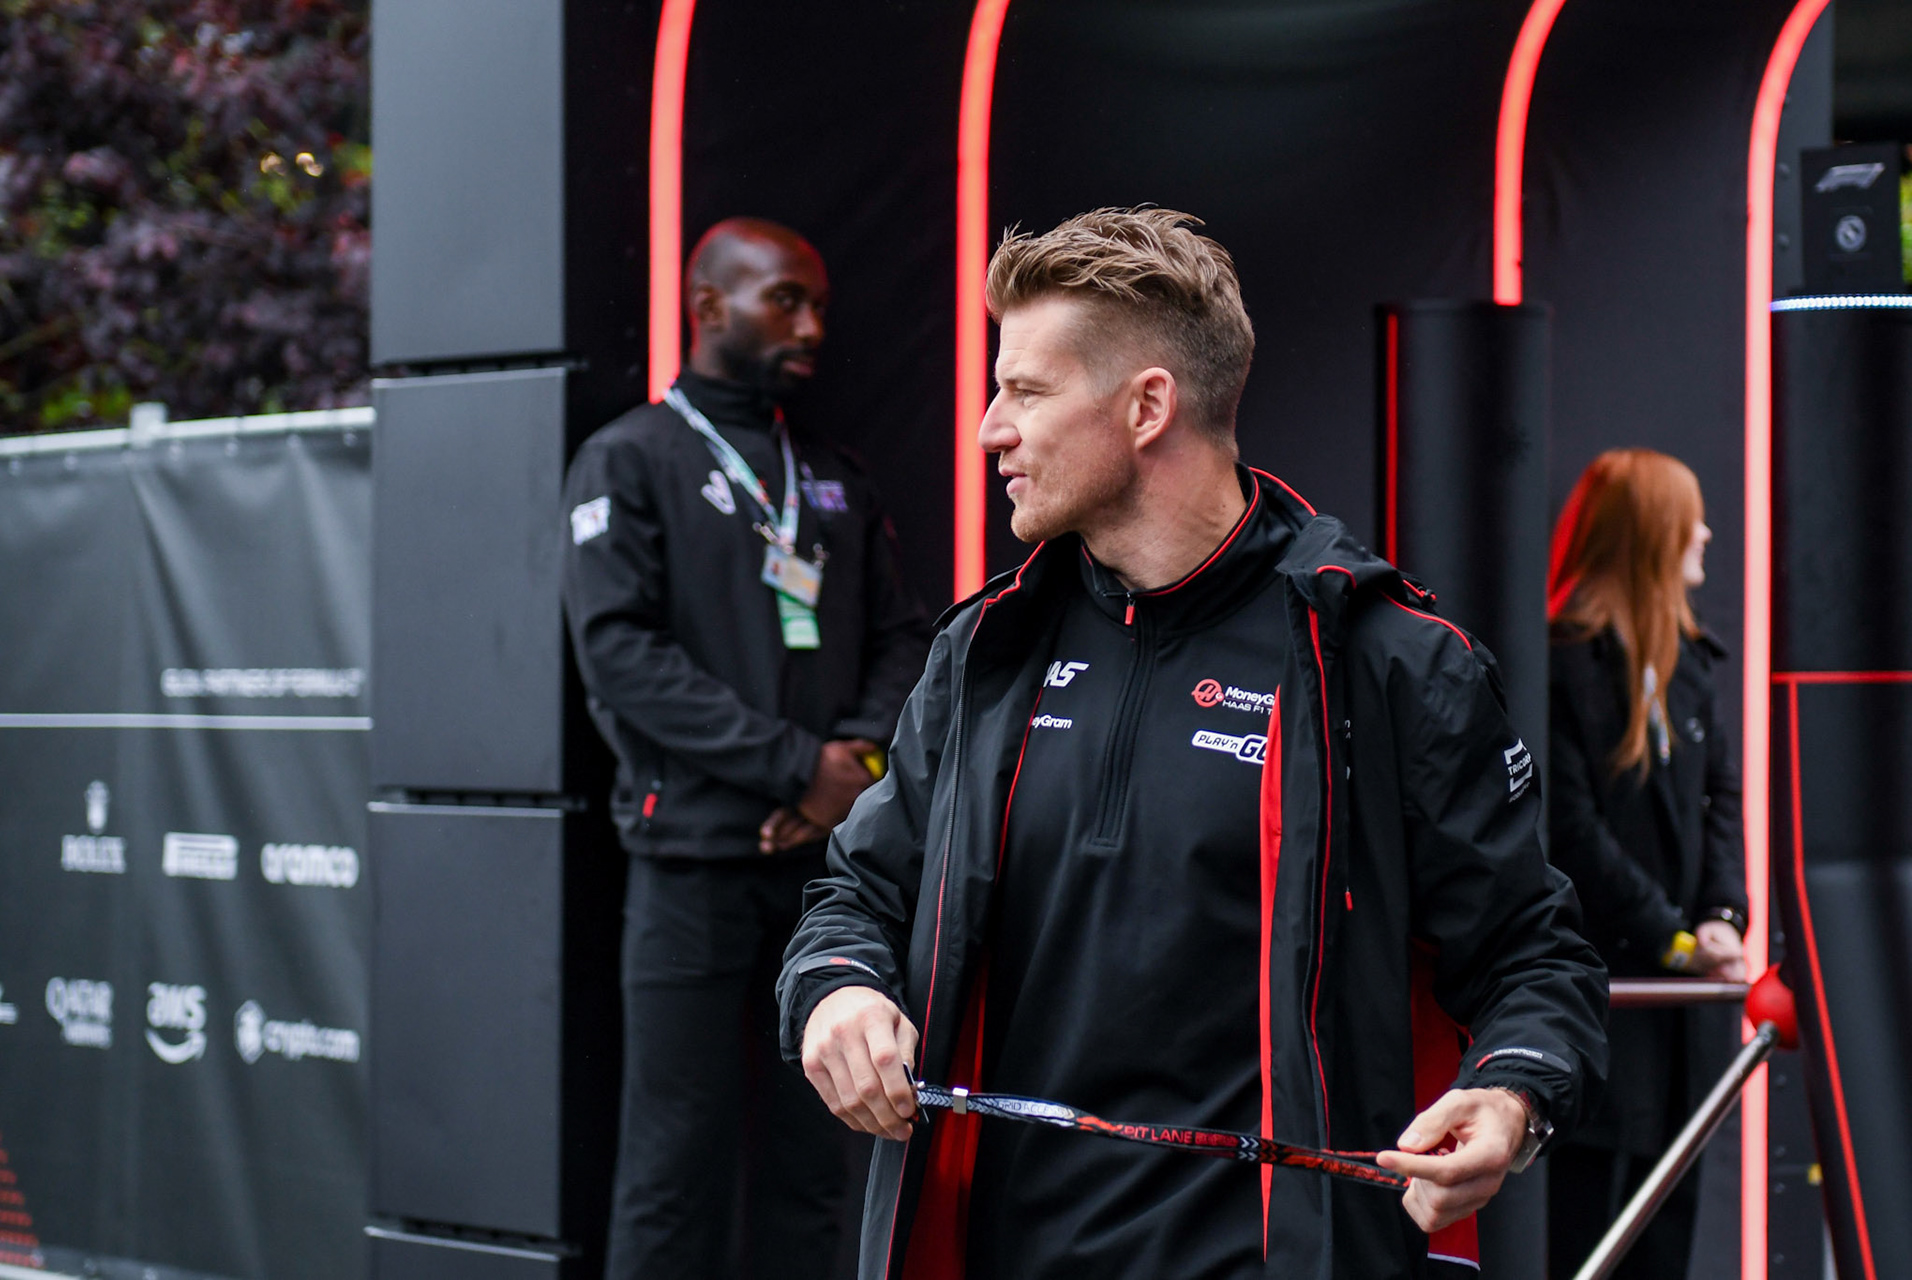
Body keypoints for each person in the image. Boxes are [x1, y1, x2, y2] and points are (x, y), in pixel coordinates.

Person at [777, 207, 1607, 1279]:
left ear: (1147, 406)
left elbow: (1535, 953)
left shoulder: (1388, 657)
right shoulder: (986, 650)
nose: (991, 427)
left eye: (1025, 391)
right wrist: (838, 989)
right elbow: (855, 894)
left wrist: (1512, 1094)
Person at [562, 216, 933, 1280]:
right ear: (709, 305)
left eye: (818, 304)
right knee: (673, 1164)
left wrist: (850, 770)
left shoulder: (831, 472)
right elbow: (620, 655)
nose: (812, 324)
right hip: (690, 870)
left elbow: (905, 634)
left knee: (818, 1165)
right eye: (786, 300)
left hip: (825, 880)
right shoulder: (628, 459)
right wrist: (792, 765)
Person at [1543, 449, 1747, 1279]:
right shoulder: (1558, 661)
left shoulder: (1692, 666)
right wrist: (1673, 940)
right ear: (1650, 535)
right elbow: (1572, 830)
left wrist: (1721, 920)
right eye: (1688, 517)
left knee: (1670, 1232)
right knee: (1584, 1231)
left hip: (1683, 1027)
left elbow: (1722, 803)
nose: (1705, 533)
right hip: (1603, 1010)